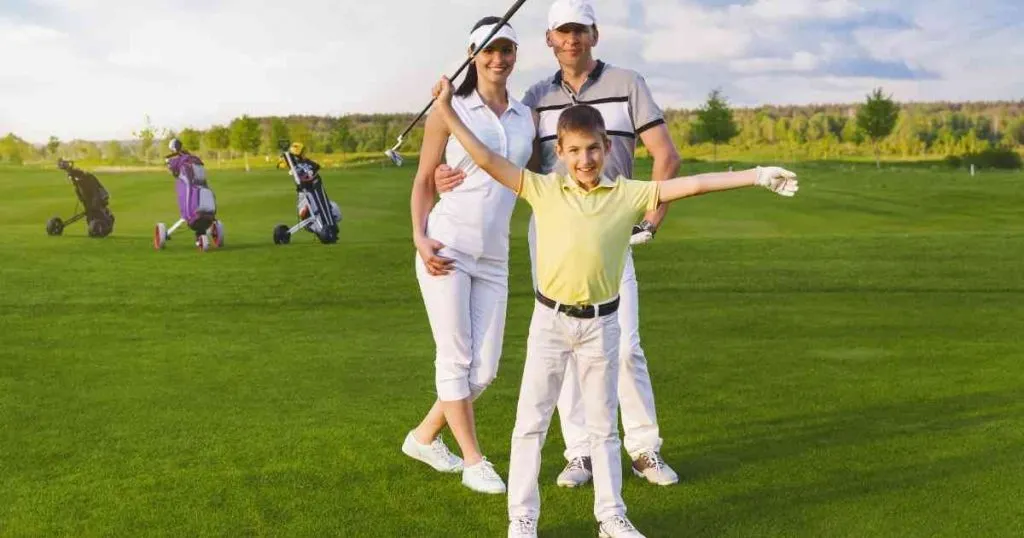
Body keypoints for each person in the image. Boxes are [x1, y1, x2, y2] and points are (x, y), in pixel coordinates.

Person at [429, 74, 798, 538]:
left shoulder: (628, 194)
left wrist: (759, 175)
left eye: (593, 149)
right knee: (530, 424)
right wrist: (445, 107)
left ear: (606, 148)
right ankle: (522, 518)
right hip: (549, 323)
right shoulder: (542, 189)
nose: (585, 160)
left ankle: (611, 517)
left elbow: (698, 184)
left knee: (604, 428)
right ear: (559, 153)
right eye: (575, 151)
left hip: (601, 328)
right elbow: (484, 158)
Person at [435, 0, 684, 488]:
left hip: (613, 226)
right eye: (563, 32)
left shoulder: (628, 83)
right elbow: (501, 160)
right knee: (566, 342)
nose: (572, 40)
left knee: (626, 344)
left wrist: (652, 219)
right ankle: (580, 454)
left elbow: (666, 157)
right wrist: (450, 173)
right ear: (549, 40)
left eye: (581, 31)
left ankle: (643, 449)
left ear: (595, 35)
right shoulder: (535, 98)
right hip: (551, 235)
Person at [402, 16, 536, 495]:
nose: (498, 58)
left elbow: (531, 178)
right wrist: (419, 236)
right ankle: (475, 459)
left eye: (506, 50)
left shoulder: (526, 117)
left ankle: (423, 437)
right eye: (489, 50)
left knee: (485, 369)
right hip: (447, 246)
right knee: (455, 358)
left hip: (494, 256)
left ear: (515, 56)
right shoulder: (448, 109)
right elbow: (423, 180)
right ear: (472, 55)